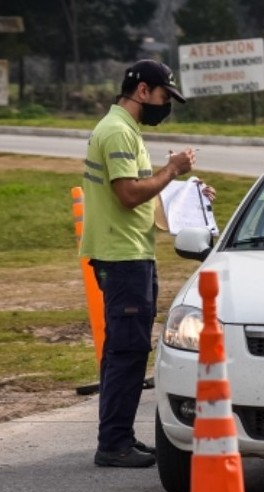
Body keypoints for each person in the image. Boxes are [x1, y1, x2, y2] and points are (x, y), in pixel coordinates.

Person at [80, 59, 216, 468]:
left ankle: (119, 436)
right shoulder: (118, 132)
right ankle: (114, 443)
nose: (164, 103)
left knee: (124, 351)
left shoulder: (122, 129)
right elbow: (128, 194)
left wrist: (185, 190)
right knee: (127, 351)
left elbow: (142, 195)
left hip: (129, 253)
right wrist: (172, 168)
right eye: (162, 95)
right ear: (143, 91)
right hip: (123, 258)